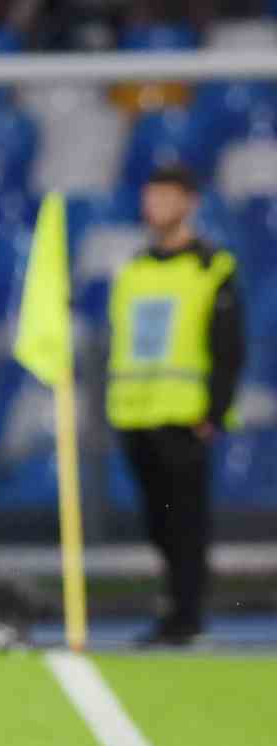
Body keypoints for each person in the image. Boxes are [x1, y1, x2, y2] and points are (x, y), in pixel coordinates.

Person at [106, 164, 245, 647]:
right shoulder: (134, 269)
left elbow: (229, 346)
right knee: (158, 523)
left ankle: (187, 616)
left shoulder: (212, 267)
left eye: (166, 196)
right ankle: (176, 611)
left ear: (190, 203)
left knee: (187, 524)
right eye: (151, 195)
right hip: (134, 413)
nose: (155, 205)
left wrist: (214, 411)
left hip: (185, 415)